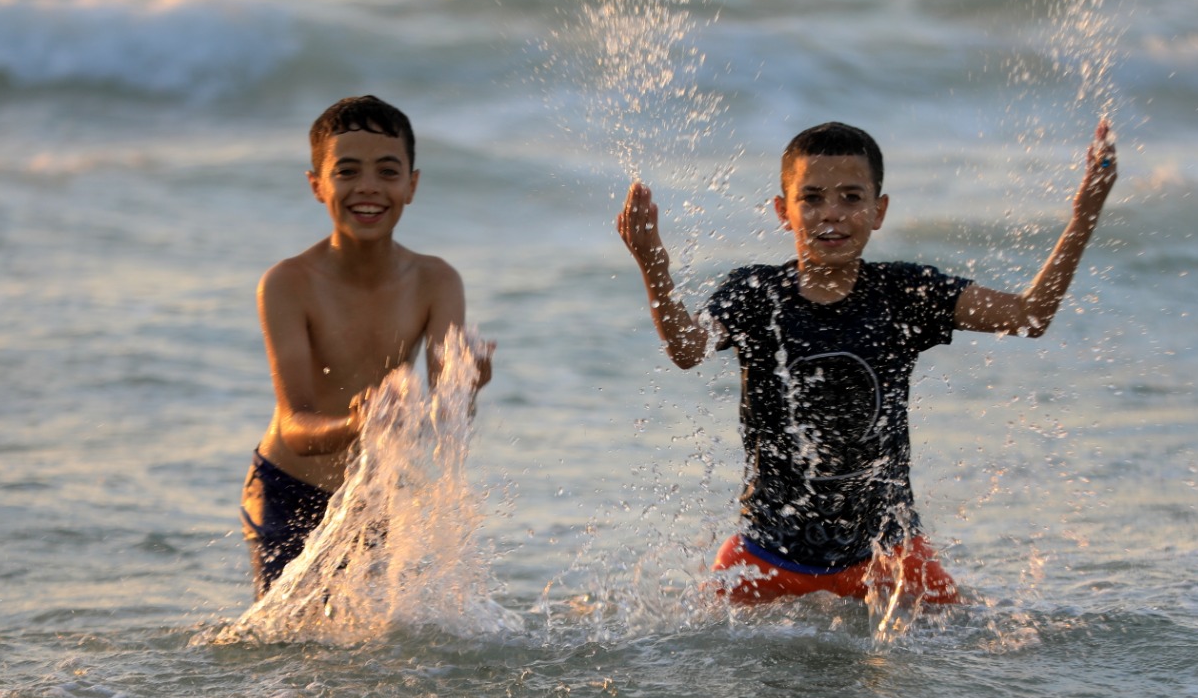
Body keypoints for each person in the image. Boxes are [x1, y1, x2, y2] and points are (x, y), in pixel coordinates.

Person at [616, 119, 1117, 605]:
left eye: (851, 198)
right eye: (811, 198)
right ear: (783, 211)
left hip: (888, 557)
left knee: (969, 658)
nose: (831, 213)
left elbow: (1030, 316)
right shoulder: (755, 294)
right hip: (767, 558)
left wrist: (1085, 215)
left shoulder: (903, 294)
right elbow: (687, 348)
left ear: (878, 210)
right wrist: (651, 258)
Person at [240, 95, 493, 596]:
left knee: (376, 661)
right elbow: (296, 427)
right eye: (347, 171)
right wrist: (359, 423)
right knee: (291, 652)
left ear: (412, 185)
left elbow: (448, 420)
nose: (369, 188)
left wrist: (471, 384)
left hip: (372, 493)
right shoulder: (288, 284)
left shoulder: (437, 282)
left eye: (387, 171)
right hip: (287, 489)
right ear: (317, 185)